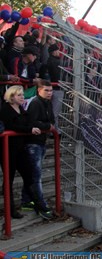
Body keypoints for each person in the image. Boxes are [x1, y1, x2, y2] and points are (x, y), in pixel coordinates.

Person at [0, 86, 42, 219]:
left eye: (23, 95)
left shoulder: (22, 109)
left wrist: (31, 128)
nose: (23, 97)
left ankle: (38, 204)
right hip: (8, 149)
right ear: (11, 97)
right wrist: (29, 129)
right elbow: (12, 126)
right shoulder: (5, 109)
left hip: (20, 148)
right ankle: (11, 210)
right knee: (9, 179)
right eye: (19, 95)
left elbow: (28, 122)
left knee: (29, 176)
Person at [21, 81, 55, 219]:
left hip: (41, 142)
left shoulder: (47, 103)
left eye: (51, 90)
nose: (50, 93)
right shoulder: (35, 103)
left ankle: (26, 200)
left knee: (33, 174)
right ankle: (41, 205)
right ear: (39, 90)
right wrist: (47, 126)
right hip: (33, 144)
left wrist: (47, 126)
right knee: (36, 175)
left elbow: (51, 120)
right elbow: (32, 122)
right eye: (46, 90)